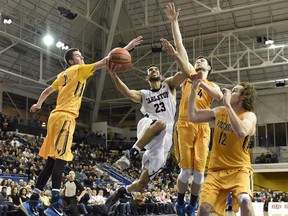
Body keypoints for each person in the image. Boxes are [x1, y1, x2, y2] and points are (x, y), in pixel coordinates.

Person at [20, 36, 143, 216]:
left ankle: (32, 201)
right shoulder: (78, 70)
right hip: (65, 118)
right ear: (71, 61)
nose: (82, 57)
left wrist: (38, 104)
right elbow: (107, 60)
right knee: (61, 159)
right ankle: (54, 204)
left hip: (55, 117)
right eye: (78, 55)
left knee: (51, 162)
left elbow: (47, 91)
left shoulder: (62, 75)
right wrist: (128, 48)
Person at [105, 36, 191, 208]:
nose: (153, 70)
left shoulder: (169, 86)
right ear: (146, 77)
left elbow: (186, 73)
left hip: (164, 141)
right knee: (161, 123)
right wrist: (114, 76)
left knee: (142, 183)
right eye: (150, 69)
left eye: (155, 68)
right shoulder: (144, 94)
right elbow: (128, 93)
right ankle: (131, 154)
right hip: (149, 126)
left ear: (160, 74)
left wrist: (175, 54)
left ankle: (123, 191)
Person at [165, 3, 223, 216]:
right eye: (197, 60)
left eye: (203, 61)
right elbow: (179, 45)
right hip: (184, 124)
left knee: (199, 176)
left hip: (203, 128)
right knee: (185, 171)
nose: (199, 61)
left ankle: (192, 204)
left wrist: (202, 82)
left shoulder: (213, 85)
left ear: (208, 68)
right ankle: (180, 203)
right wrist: (174, 22)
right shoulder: (188, 73)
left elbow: (218, 97)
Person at [188, 81, 257, 216]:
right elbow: (193, 116)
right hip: (216, 170)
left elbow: (241, 132)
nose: (230, 92)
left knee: (245, 203)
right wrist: (192, 92)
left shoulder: (249, 116)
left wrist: (227, 105)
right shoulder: (220, 111)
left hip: (239, 169)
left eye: (235, 91)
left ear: (243, 97)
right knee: (203, 209)